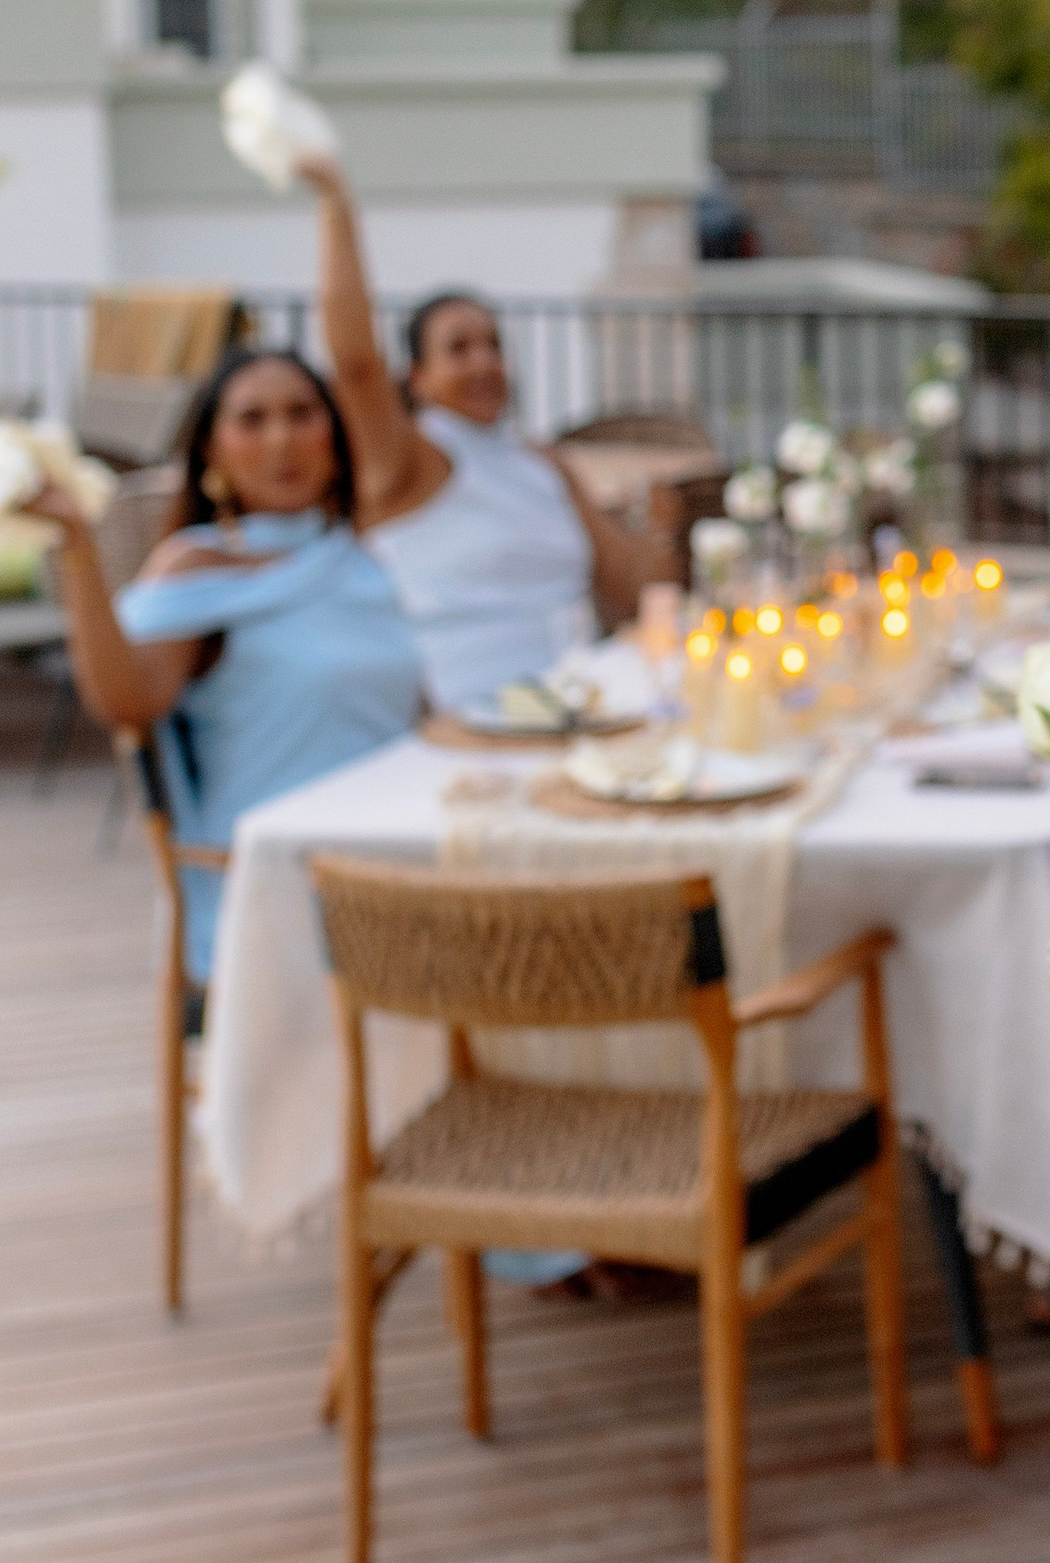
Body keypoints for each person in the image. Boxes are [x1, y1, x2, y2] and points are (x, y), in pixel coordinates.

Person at [37, 346, 425, 982]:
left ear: (334, 433)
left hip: (395, 852)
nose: (282, 439)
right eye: (252, 420)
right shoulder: (197, 569)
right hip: (280, 876)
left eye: (302, 413)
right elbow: (124, 701)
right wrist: (78, 546)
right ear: (212, 451)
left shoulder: (356, 557)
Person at [302, 159, 649, 707]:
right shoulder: (411, 460)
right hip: (467, 712)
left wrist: (657, 526)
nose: (484, 362)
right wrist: (336, 204)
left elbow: (630, 592)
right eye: (459, 349)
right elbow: (355, 366)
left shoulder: (544, 463)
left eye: (493, 345)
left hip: (580, 701)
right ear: (417, 378)